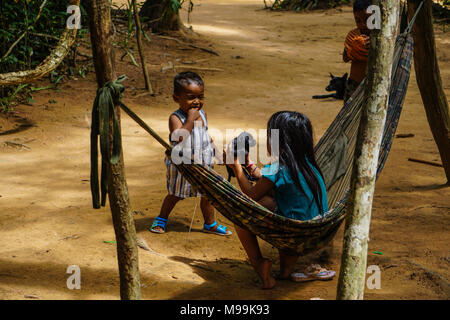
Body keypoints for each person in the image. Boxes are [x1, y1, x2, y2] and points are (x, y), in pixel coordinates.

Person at [227, 111, 330, 289]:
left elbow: (250, 196)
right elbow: (265, 180)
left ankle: (259, 264)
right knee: (272, 200)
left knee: (241, 216)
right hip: (315, 228)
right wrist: (248, 164)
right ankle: (286, 271)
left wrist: (237, 168)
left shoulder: (278, 169)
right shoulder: (307, 163)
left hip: (291, 230)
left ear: (279, 143)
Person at [150, 71, 232, 236]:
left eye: (200, 97)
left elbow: (206, 137)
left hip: (203, 162)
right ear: (176, 98)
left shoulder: (203, 115)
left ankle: (210, 224)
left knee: (208, 195)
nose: (196, 102)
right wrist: (190, 121)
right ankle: (161, 219)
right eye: (190, 97)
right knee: (175, 194)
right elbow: (179, 137)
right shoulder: (176, 118)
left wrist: (218, 154)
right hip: (182, 166)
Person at [343, 0, 372, 102]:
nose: (363, 24)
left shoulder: (381, 37)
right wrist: (353, 49)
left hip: (374, 84)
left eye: (367, 19)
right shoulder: (353, 35)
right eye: (358, 20)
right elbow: (345, 58)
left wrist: (373, 45)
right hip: (354, 84)